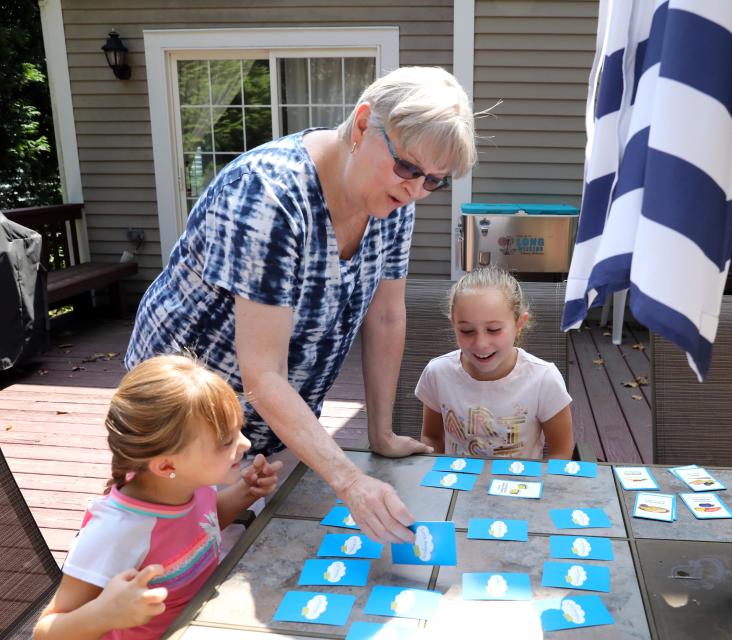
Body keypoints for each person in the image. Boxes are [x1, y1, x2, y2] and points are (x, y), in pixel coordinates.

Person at [124, 66, 478, 543]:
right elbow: (262, 373)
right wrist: (350, 480)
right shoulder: (268, 194)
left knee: (238, 543)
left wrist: (381, 434)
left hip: (262, 425)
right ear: (361, 125)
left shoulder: (394, 203)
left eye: (434, 181)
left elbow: (386, 314)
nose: (415, 190)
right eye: (408, 167)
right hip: (180, 422)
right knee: (163, 556)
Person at [33, 355, 282, 640]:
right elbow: (44, 633)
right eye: (227, 441)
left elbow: (201, 529)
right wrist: (105, 614)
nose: (246, 443)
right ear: (166, 466)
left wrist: (244, 493)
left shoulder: (192, 484)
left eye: (239, 429)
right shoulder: (116, 532)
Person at [416, 268, 575, 459]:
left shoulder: (543, 379)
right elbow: (432, 438)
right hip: (456, 484)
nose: (481, 344)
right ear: (454, 325)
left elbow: (562, 451)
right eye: (467, 331)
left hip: (519, 485)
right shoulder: (438, 373)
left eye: (493, 329)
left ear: (519, 324)